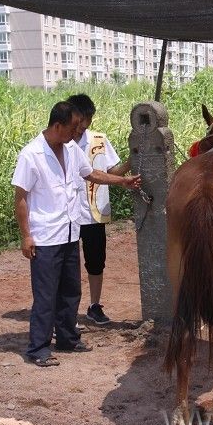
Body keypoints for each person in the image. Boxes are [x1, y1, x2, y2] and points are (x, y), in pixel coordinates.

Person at [12, 101, 141, 367]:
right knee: (46, 294)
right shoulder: (31, 154)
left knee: (70, 291)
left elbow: (91, 173)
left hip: (70, 232)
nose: (78, 132)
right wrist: (26, 236)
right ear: (57, 125)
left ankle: (68, 339)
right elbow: (21, 198)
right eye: (73, 127)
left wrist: (122, 182)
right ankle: (38, 348)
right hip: (46, 236)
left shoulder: (71, 149)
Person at [67, 94, 130, 326]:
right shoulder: (62, 142)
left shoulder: (99, 140)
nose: (83, 126)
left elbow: (113, 171)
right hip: (70, 214)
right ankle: (67, 309)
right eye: (80, 121)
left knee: (96, 261)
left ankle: (94, 305)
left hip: (94, 213)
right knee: (68, 264)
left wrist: (130, 163)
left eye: (88, 121)